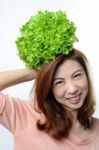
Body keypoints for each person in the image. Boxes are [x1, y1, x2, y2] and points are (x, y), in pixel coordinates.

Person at [0, 48, 99, 150]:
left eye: (77, 76)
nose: (72, 89)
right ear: (49, 87)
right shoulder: (25, 115)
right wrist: (31, 73)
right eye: (59, 82)